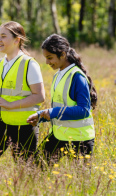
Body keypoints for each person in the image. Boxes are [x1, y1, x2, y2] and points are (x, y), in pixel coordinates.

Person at [0, 21, 45, 174]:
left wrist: (11, 105)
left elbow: (39, 96)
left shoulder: (29, 64)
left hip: (23, 125)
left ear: (17, 40)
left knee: (25, 176)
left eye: (4, 36)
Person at [27, 34, 97, 166]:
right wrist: (41, 116)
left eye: (50, 58)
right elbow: (61, 106)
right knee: (33, 170)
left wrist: (52, 112)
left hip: (80, 139)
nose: (47, 62)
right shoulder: (58, 75)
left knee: (80, 184)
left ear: (63, 54)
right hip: (59, 135)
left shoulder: (77, 77)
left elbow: (84, 110)